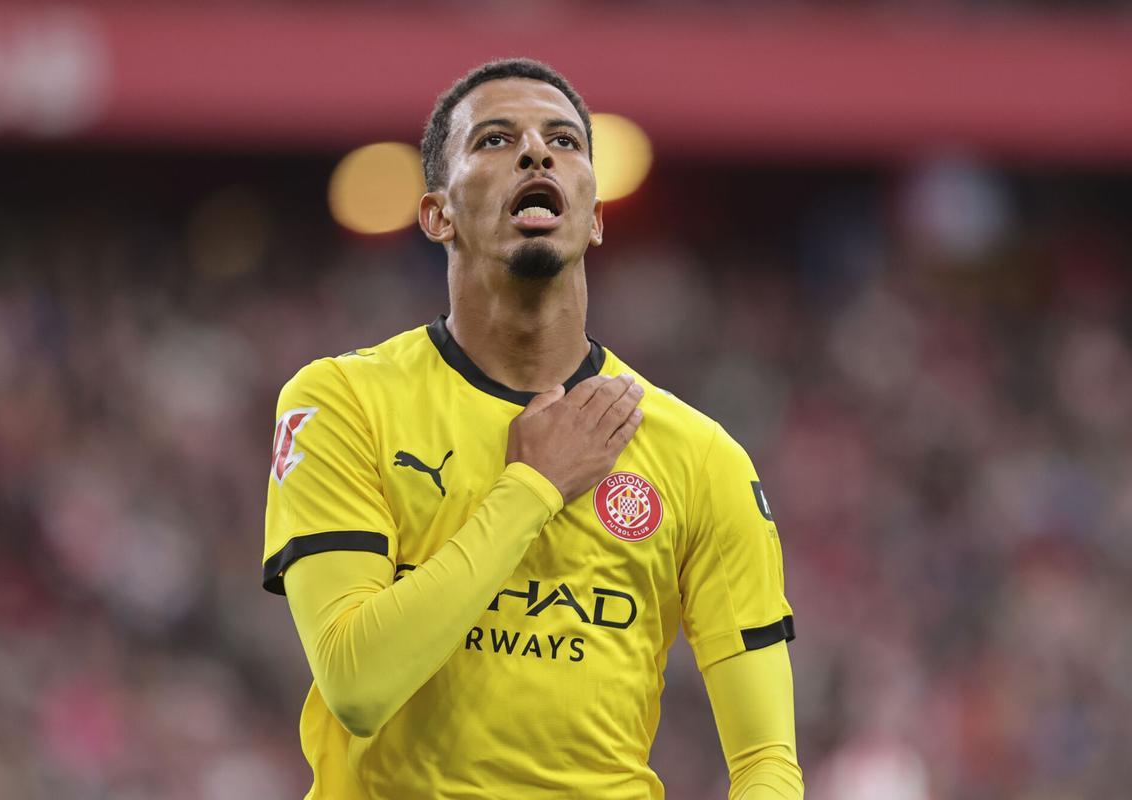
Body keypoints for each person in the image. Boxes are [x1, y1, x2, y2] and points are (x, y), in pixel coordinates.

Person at [263, 58, 803, 799]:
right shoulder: (344, 403)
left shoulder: (700, 456)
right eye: (493, 140)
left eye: (564, 141)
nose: (536, 152)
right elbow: (358, 684)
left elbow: (767, 762)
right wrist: (534, 486)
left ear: (596, 215)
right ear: (438, 214)